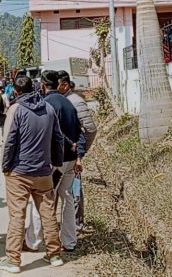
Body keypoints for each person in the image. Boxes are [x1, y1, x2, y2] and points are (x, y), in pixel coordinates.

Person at [0, 76, 65, 274]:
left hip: (19, 172)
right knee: (48, 213)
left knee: (17, 215)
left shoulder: (16, 110)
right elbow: (58, 138)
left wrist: (5, 166)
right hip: (43, 171)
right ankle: (54, 255)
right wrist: (56, 162)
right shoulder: (48, 109)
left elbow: (9, 141)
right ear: (35, 88)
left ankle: (13, 260)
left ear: (16, 92)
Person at [41, 71, 85, 252]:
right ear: (58, 84)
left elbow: (51, 134)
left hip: (54, 161)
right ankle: (69, 241)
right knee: (67, 197)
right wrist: (78, 155)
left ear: (43, 84)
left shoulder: (45, 105)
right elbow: (81, 132)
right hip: (70, 161)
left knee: (44, 198)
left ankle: (39, 240)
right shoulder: (69, 103)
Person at [58, 70, 97, 230]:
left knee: (74, 189)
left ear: (65, 85)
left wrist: (81, 151)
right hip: (60, 155)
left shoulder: (75, 101)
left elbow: (90, 129)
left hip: (72, 155)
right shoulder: (60, 100)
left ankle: (77, 223)